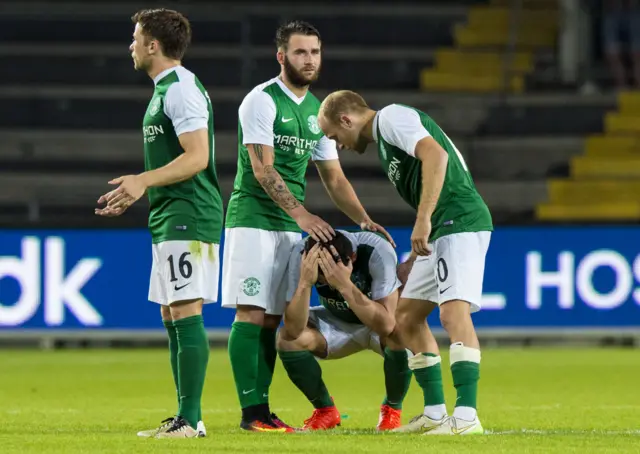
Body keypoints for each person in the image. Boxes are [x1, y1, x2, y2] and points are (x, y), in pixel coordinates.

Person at [221, 21, 392, 432]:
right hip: (253, 220)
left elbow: (334, 177)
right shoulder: (261, 101)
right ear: (282, 57)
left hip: (288, 228)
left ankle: (262, 413)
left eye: (314, 52)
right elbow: (263, 170)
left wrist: (364, 220)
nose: (309, 60)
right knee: (250, 313)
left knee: (272, 318)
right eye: (300, 52)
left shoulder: (317, 113)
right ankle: (252, 413)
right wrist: (302, 214)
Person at [317, 91, 493, 435]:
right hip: (441, 227)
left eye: (333, 135)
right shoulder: (385, 140)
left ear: (346, 120)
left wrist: (423, 219)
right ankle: (435, 412)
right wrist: (415, 256)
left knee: (452, 313)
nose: (336, 143)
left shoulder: (392, 117)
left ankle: (467, 416)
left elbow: (436, 156)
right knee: (406, 318)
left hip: (459, 219)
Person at [95, 8, 223, 439]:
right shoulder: (164, 89)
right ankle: (186, 417)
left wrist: (142, 181)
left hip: (190, 213)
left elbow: (198, 156)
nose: (130, 46)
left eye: (135, 38)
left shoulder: (181, 89)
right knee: (172, 315)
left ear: (153, 44)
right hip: (171, 213)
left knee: (186, 311)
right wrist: (138, 189)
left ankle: (190, 419)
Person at [278, 231, 410, 431]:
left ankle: (392, 410)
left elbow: (386, 325)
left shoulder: (376, 250)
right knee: (286, 340)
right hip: (336, 323)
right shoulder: (303, 254)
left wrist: (344, 285)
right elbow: (293, 329)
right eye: (321, 278)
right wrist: (306, 282)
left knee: (401, 331)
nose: (324, 282)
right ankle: (325, 411)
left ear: (353, 258)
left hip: (375, 323)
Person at [602, 0, 640, 89]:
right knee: (612, 53)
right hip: (613, 12)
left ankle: (638, 87)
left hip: (635, 12)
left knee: (637, 54)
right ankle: (622, 87)